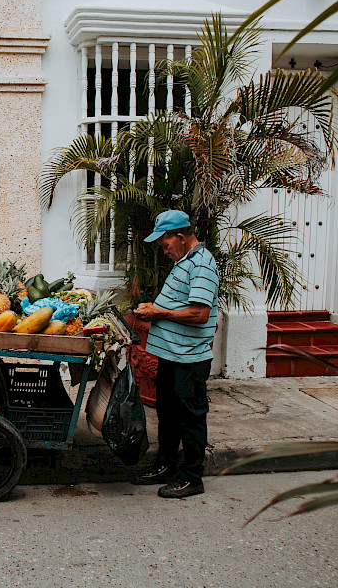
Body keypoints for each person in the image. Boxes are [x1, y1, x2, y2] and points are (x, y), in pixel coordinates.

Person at [131, 210, 219, 498]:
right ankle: (165, 465)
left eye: (165, 243)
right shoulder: (186, 262)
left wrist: (159, 312)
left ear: (181, 237)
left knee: (191, 418)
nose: (163, 249)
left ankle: (192, 478)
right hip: (171, 355)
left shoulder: (202, 265)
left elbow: (200, 313)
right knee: (168, 415)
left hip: (189, 359)